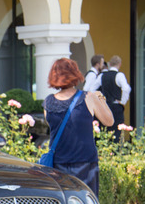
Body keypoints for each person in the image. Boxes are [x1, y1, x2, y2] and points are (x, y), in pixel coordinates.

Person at [43, 58, 114, 196]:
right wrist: (101, 99)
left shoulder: (48, 102)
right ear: (75, 74)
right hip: (85, 164)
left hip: (58, 165)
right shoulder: (88, 97)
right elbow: (109, 121)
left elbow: (52, 124)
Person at [92, 55, 131, 142]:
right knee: (116, 131)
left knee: (104, 130)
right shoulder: (119, 75)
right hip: (116, 106)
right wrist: (122, 101)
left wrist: (99, 100)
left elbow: (92, 89)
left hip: (104, 106)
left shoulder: (102, 75)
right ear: (119, 64)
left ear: (109, 64)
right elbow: (126, 88)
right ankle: (114, 151)